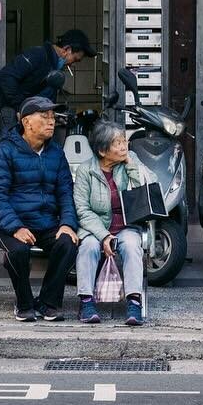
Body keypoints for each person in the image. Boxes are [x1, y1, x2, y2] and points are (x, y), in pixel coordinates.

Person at [0, 95, 79, 322]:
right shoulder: (5, 151)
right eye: (44, 116)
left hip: (46, 222)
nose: (51, 121)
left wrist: (67, 223)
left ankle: (48, 302)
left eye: (53, 117)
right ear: (26, 122)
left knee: (68, 243)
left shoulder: (56, 153)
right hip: (10, 223)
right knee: (17, 251)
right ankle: (24, 303)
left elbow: (66, 193)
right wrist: (15, 227)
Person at [73, 120, 155, 326]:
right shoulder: (86, 171)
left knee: (131, 245)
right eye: (117, 143)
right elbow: (82, 209)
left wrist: (131, 164)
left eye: (124, 141)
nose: (123, 146)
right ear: (102, 150)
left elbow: (148, 186)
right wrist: (104, 235)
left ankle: (134, 303)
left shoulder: (130, 160)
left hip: (126, 225)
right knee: (88, 246)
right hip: (95, 227)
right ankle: (86, 301)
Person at [0, 30, 96, 140]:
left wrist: (55, 116)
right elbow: (6, 76)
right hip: (15, 119)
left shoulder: (54, 66)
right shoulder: (38, 55)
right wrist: (21, 108)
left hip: (33, 124)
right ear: (67, 49)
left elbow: (43, 99)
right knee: (9, 153)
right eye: (75, 59)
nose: (72, 64)